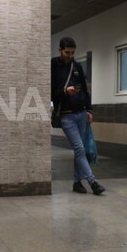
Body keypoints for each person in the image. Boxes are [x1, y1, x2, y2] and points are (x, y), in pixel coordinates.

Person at [50, 37, 104, 195]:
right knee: (79, 148)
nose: (70, 56)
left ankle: (77, 182)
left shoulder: (77, 66)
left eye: (73, 53)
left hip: (81, 113)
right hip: (67, 116)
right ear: (59, 50)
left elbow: (85, 90)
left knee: (79, 150)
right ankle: (92, 182)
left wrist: (89, 110)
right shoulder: (53, 66)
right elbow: (50, 92)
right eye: (67, 52)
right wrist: (65, 91)